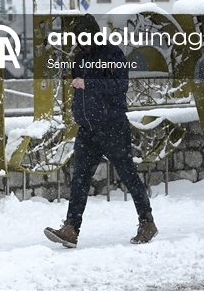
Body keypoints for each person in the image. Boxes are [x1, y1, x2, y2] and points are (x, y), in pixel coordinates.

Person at [44, 14, 157, 248]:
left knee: (128, 175)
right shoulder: (79, 58)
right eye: (79, 39)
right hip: (88, 129)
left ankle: (147, 222)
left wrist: (90, 83)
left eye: (86, 38)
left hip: (112, 126)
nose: (83, 43)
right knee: (80, 179)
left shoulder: (112, 54)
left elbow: (120, 85)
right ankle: (71, 228)